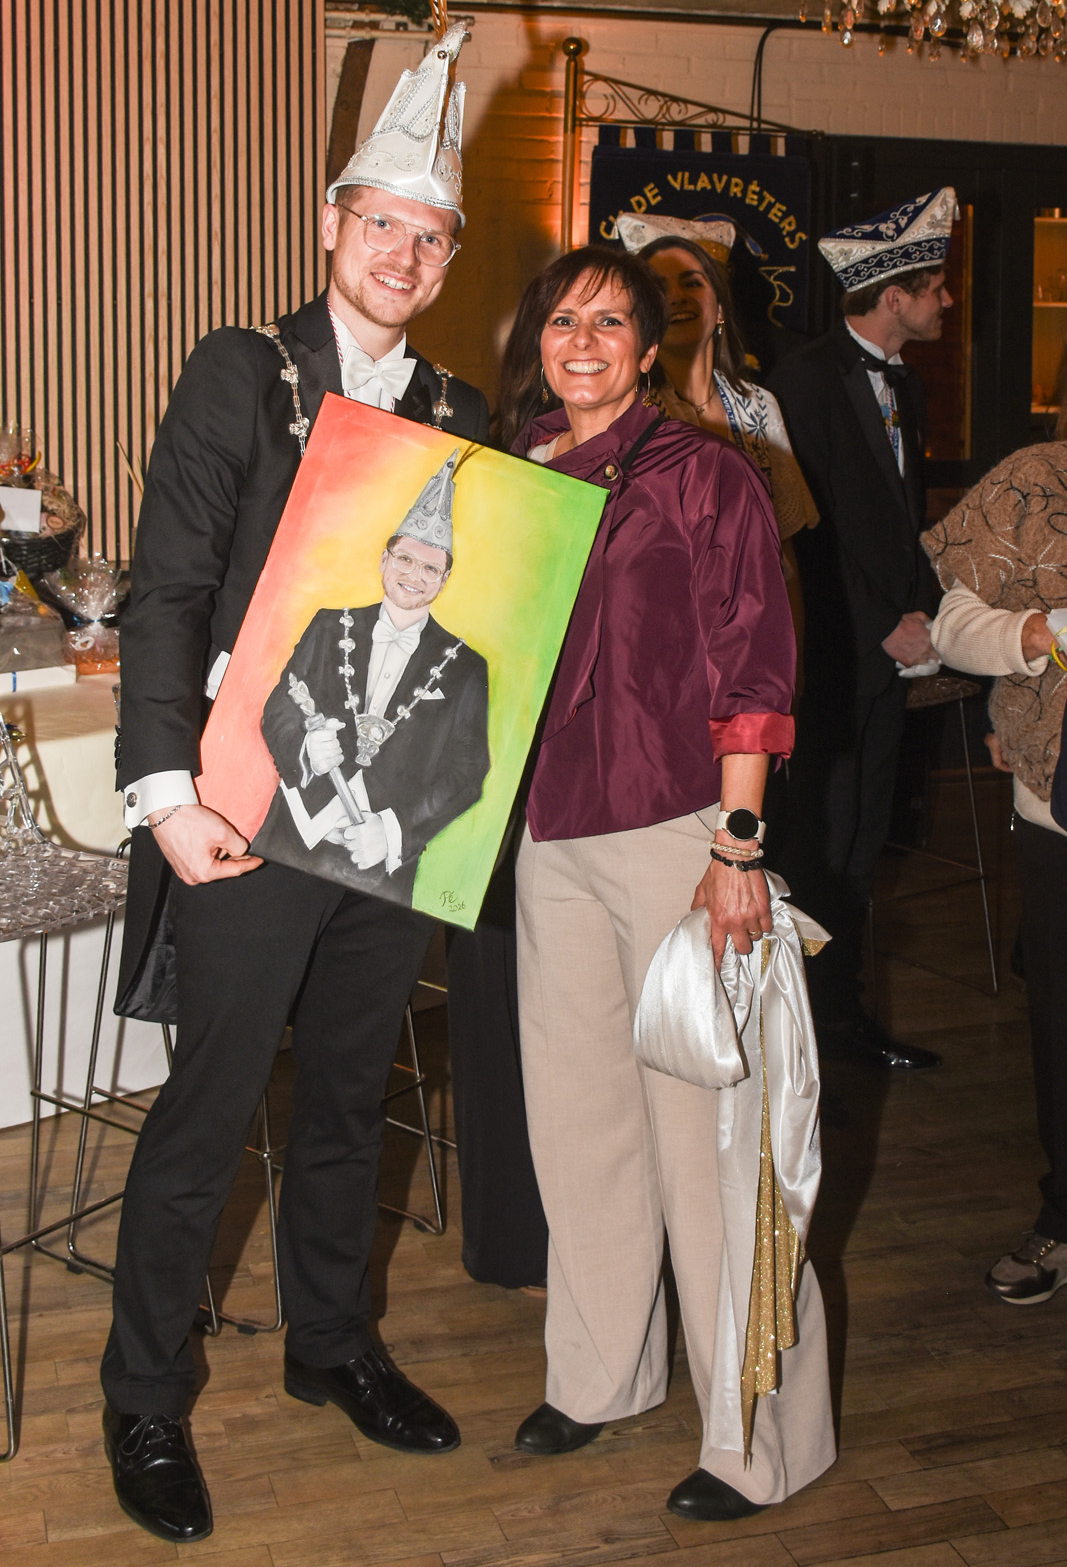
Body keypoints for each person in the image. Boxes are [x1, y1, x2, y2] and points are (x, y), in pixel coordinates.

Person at [103, 28, 486, 1545]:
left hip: (382, 840)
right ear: (332, 224)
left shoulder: (459, 414)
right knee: (208, 1110)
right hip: (245, 810)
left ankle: (331, 1342)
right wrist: (165, 794)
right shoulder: (244, 371)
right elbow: (166, 591)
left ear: (448, 256)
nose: (402, 252)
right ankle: (143, 1395)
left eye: (431, 234)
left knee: (346, 1095)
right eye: (381, 221)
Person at [498, 244, 836, 1521]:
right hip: (550, 835)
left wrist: (736, 847)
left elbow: (756, 668)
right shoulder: (517, 469)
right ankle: (600, 1375)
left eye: (609, 322)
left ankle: (760, 1440)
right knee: (577, 1123)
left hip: (681, 833)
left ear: (649, 348)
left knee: (715, 1145)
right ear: (537, 343)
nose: (581, 341)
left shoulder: (708, 475)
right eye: (561, 320)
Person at [768, 187, 957, 1071]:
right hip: (834, 657)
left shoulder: (904, 383)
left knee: (861, 845)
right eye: (935, 288)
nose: (945, 300)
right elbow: (806, 534)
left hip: (889, 662)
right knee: (814, 846)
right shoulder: (801, 383)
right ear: (893, 295)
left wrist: (926, 612)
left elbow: (896, 520)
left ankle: (842, 1023)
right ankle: (799, 1035)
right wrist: (883, 624)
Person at [922, 405, 1067, 1305]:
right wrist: (1034, 635)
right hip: (1056, 804)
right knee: (1060, 1025)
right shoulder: (1031, 480)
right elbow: (951, 625)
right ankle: (1062, 1216)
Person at [255, 452, 490, 906]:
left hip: (379, 869)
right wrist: (306, 748)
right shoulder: (328, 625)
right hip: (290, 841)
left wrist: (394, 831)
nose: (414, 575)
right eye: (404, 559)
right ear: (384, 560)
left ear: (444, 580)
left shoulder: (465, 667)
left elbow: (468, 771)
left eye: (430, 568)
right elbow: (280, 706)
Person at [616, 212, 818, 604]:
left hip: (754, 620)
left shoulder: (759, 406)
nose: (678, 297)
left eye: (693, 282)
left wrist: (793, 644)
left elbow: (784, 556)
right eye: (660, 288)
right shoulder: (627, 411)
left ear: (720, 306)